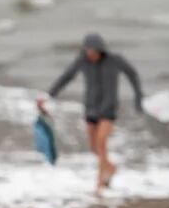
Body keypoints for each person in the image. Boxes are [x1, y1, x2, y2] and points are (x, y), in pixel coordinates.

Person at [47, 32, 143, 191]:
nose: (91, 54)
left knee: (101, 142)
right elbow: (67, 77)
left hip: (108, 108)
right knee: (94, 148)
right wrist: (50, 94)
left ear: (100, 49)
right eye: (88, 51)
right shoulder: (82, 61)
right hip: (90, 108)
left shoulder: (115, 60)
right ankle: (110, 168)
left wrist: (138, 96)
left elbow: (132, 74)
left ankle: (100, 184)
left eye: (94, 51)